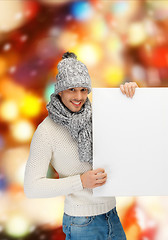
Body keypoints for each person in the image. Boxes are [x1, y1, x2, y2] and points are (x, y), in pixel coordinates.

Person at [24, 52, 138, 240]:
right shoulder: (46, 131)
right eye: (72, 90)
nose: (79, 97)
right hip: (81, 223)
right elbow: (32, 187)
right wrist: (81, 182)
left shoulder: (100, 115)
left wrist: (131, 95)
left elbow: (133, 131)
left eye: (84, 90)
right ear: (60, 91)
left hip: (112, 215)